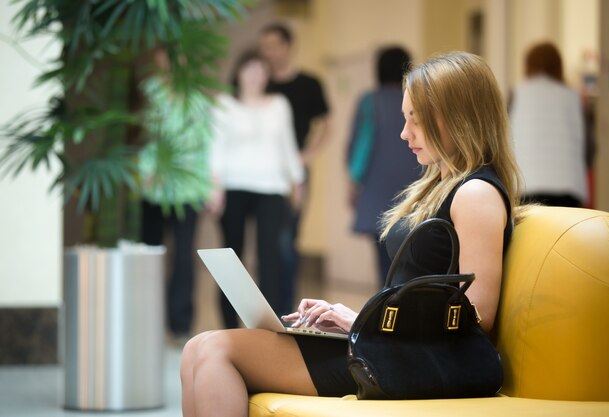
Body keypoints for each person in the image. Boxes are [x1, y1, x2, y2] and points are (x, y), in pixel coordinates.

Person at [180, 51, 522, 417]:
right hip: (398, 347)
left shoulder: (476, 194)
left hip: (418, 360)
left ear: (456, 119)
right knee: (195, 350)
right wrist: (359, 319)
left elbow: (477, 314)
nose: (405, 133)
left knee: (217, 350)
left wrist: (364, 321)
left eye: (415, 120)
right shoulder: (441, 184)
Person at [208, 49, 305, 329]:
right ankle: (228, 326)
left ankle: (267, 328)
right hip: (233, 186)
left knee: (270, 258)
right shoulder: (224, 104)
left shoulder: (279, 104)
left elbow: (288, 145)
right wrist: (214, 188)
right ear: (238, 72)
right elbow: (215, 148)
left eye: (262, 70)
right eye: (250, 69)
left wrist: (297, 180)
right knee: (231, 259)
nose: (255, 76)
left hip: (271, 188)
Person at [138, 49, 212, 343]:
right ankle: (146, 319)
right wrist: (145, 168)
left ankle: (180, 324)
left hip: (188, 188)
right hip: (153, 186)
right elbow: (143, 136)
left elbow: (206, 142)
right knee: (150, 253)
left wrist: (207, 187)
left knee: (184, 256)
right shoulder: (149, 92)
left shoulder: (199, 97)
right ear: (157, 58)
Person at [259, 23, 331, 316]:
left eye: (274, 44)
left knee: (286, 240)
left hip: (292, 174)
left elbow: (326, 124)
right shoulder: (258, 82)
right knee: (262, 243)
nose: (269, 52)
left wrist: (306, 157)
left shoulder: (308, 84)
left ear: (289, 46)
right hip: (256, 174)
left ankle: (284, 310)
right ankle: (259, 308)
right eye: (264, 46)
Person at [346, 46, 422, 286]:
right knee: (411, 251)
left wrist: (353, 181)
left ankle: (387, 302)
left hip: (378, 187)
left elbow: (362, 145)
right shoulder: (417, 98)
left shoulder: (370, 101)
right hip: (414, 184)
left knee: (383, 254)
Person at [509, 42, 587, 207]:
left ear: (527, 66)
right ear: (559, 66)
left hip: (526, 186)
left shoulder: (516, 94)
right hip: (568, 188)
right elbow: (589, 148)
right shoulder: (573, 97)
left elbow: (505, 141)